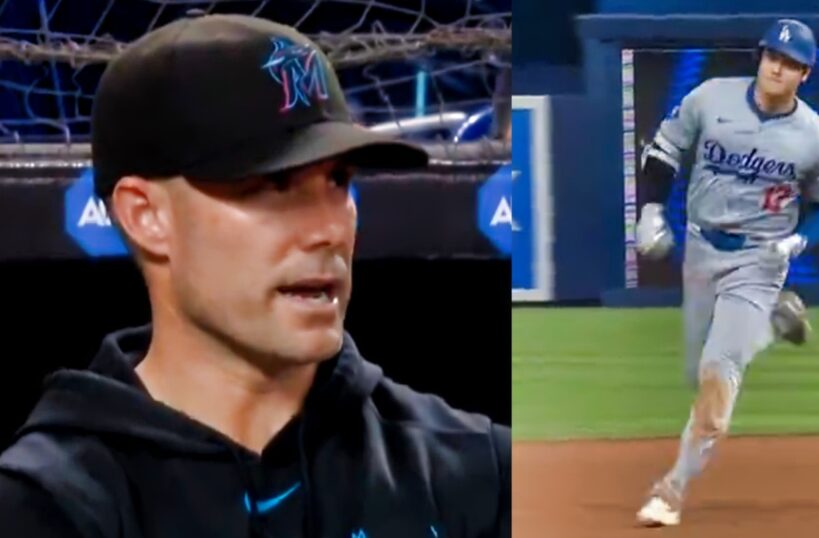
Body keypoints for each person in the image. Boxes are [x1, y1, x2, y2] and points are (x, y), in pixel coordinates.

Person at [0, 13, 509, 538]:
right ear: (146, 216)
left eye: (337, 180)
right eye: (273, 185)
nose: (329, 229)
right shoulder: (48, 507)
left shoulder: (479, 474)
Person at [633, 18, 819, 527]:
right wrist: (651, 211)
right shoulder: (711, 99)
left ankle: (671, 490)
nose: (778, 66)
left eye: (791, 62)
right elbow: (663, 152)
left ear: (805, 74)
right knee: (695, 371)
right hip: (701, 250)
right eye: (773, 55)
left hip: (759, 260)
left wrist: (797, 241)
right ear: (760, 55)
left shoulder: (816, 137)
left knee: (717, 378)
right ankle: (776, 322)